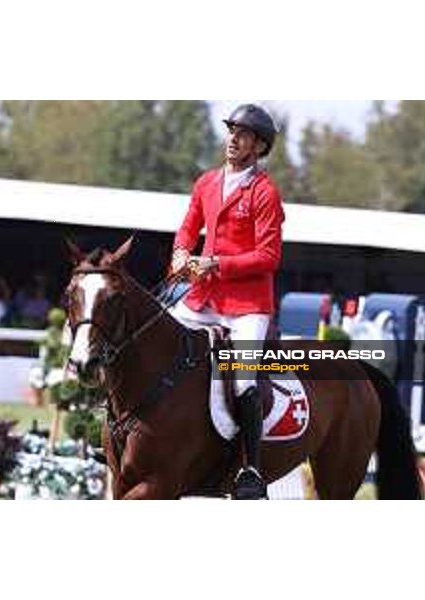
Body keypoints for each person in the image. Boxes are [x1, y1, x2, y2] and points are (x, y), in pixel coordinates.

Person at [169, 104, 285, 500]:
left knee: (243, 378)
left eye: (244, 134)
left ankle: (250, 469)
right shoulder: (206, 183)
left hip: (248, 306)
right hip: (202, 298)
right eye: (232, 131)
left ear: (259, 146)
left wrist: (216, 263)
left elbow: (269, 257)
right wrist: (181, 256)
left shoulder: (265, 192)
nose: (233, 138)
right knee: (156, 345)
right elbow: (187, 230)